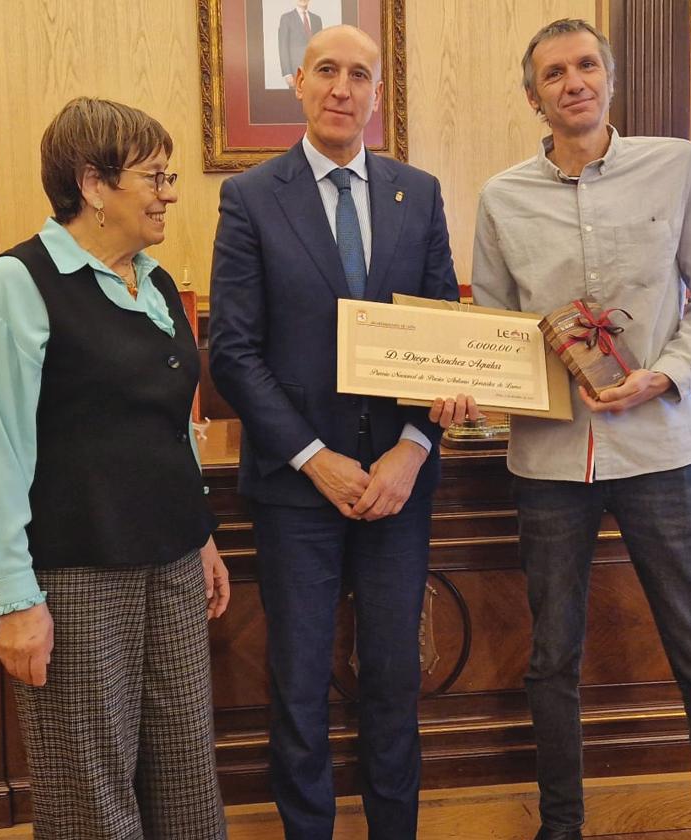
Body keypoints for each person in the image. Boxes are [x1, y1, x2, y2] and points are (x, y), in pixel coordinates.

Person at [470, 19, 691, 840]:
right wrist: (470, 387)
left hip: (661, 449)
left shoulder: (677, 167)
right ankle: (561, 828)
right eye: (554, 72)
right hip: (550, 462)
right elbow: (493, 328)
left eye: (587, 65)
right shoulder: (502, 197)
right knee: (551, 661)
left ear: (609, 77)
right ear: (535, 96)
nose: (574, 81)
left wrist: (662, 374)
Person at [209, 25, 473, 840]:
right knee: (297, 686)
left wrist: (413, 448)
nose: (342, 88)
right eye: (327, 70)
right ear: (298, 80)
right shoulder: (252, 196)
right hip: (297, 487)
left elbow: (441, 340)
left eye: (360, 74)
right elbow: (234, 351)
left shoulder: (417, 193)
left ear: (376, 96)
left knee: (395, 678)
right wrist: (315, 458)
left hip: (401, 483)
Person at [0, 97, 230, 840]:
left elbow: (171, 428)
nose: (170, 191)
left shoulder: (160, 283)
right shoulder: (18, 283)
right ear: (93, 184)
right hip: (76, 577)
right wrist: (15, 600)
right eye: (154, 175)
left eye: (169, 174)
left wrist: (200, 532)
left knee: (186, 779)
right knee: (91, 796)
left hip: (172, 564)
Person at [278, 0, 323, 88]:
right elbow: (283, 47)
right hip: (296, 72)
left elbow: (320, 46)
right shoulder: (286, 18)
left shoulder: (317, 19)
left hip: (315, 71)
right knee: (294, 100)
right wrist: (287, 73)